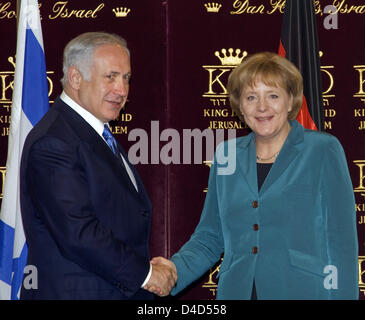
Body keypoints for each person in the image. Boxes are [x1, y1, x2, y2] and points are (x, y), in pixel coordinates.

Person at [149, 52, 358, 299]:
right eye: (251, 97)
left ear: (290, 101)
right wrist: (174, 270)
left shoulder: (322, 150)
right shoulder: (226, 154)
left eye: (272, 95)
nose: (262, 107)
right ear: (240, 105)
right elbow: (210, 237)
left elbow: (341, 243)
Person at [19, 32, 176, 299]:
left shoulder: (92, 132)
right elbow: (78, 233)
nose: (122, 90)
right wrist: (147, 275)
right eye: (110, 77)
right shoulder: (54, 141)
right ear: (76, 78)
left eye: (126, 78)